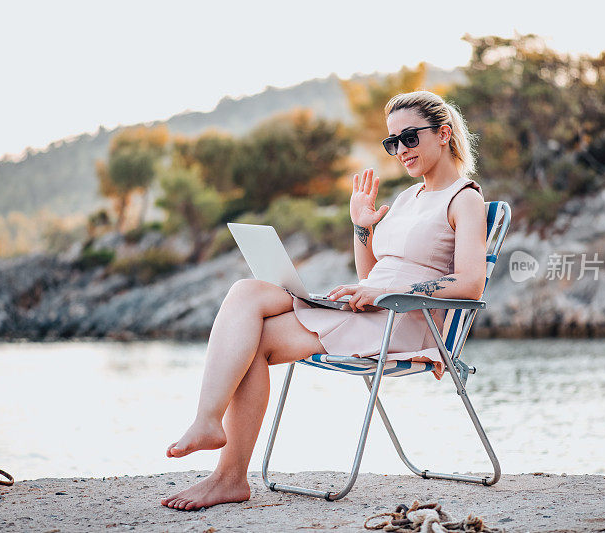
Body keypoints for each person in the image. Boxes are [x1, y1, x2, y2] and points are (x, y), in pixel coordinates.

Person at [160, 90, 487, 511]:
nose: (400, 150)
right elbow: (370, 276)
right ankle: (209, 426)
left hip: (405, 323)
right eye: (392, 143)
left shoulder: (466, 199)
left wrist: (388, 294)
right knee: (246, 291)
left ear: (443, 134)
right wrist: (361, 227)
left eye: (408, 138)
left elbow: (471, 284)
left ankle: (228, 476)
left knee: (253, 342)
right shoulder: (408, 198)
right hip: (372, 309)